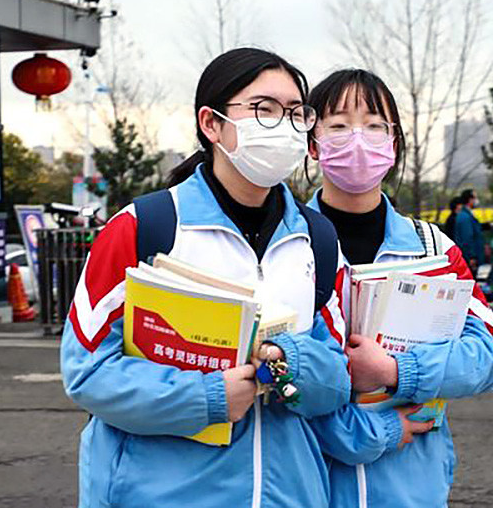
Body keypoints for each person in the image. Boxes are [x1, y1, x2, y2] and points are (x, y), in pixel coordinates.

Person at [60, 48, 351, 508]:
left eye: (297, 113)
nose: (285, 126)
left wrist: (289, 363)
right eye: (264, 110)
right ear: (211, 123)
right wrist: (208, 398)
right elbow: (88, 371)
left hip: (288, 495)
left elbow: (337, 379)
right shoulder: (144, 226)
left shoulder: (316, 237)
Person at [304, 68, 493, 508]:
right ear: (313, 143)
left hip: (411, 490)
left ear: (393, 143)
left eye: (375, 126)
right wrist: (373, 432)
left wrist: (395, 372)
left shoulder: (435, 249)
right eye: (338, 125)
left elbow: (485, 359)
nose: (358, 139)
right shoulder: (284, 248)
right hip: (309, 488)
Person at [454, 189, 485, 274]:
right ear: (469, 200)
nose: (476, 200)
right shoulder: (465, 217)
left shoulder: (466, 215)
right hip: (469, 258)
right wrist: (472, 256)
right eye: (474, 198)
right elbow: (467, 238)